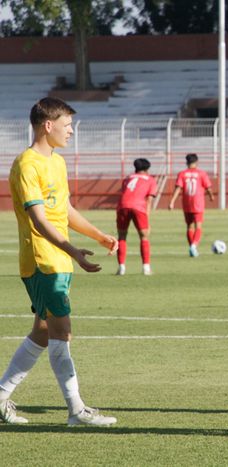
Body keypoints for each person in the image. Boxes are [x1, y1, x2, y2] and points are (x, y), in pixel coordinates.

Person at [0, 97, 119, 426]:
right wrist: (73, 251)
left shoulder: (57, 162)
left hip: (58, 260)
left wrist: (97, 235)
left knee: (42, 331)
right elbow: (39, 220)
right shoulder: (27, 164)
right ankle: (76, 410)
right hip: (43, 261)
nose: (71, 132)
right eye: (67, 126)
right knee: (62, 332)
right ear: (47, 125)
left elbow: (63, 210)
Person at [116, 158, 157, 275]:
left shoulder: (128, 178)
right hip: (138, 207)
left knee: (122, 236)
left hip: (122, 206)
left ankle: (121, 267)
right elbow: (149, 200)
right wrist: (147, 219)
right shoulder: (150, 180)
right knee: (144, 236)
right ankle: (146, 268)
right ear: (147, 169)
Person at [168, 153, 214, 257]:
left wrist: (172, 202)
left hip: (187, 203)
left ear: (187, 162)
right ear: (197, 162)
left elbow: (178, 188)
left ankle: (192, 248)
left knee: (189, 226)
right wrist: (211, 196)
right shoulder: (201, 173)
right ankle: (193, 246)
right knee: (198, 226)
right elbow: (208, 187)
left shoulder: (182, 174)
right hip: (198, 202)